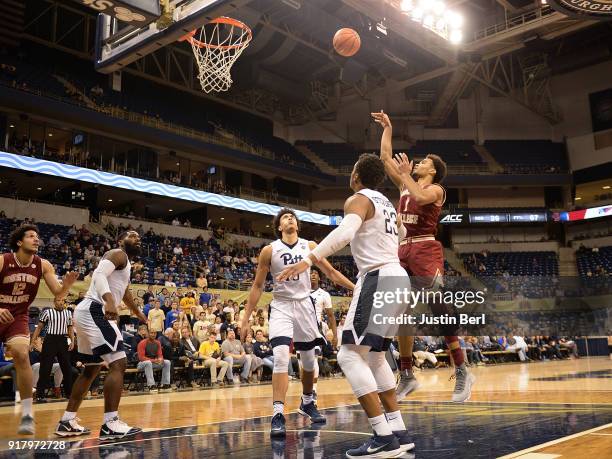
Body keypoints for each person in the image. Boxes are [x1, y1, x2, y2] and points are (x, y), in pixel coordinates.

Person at [277, 153, 415, 456]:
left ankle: (383, 436)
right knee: (376, 357)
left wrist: (309, 259)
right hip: (399, 278)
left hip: (378, 277)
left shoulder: (359, 199)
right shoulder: (386, 203)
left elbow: (345, 233)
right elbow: (403, 233)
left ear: (355, 175)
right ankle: (399, 432)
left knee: (349, 356)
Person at [372, 111, 475, 403]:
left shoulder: (436, 190)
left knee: (437, 307)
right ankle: (406, 374)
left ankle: (463, 369)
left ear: (433, 171)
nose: (419, 163)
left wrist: (405, 173)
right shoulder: (407, 184)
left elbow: (419, 198)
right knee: (400, 310)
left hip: (425, 249)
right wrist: (388, 128)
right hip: (402, 248)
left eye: (425, 162)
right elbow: (384, 156)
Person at [241, 207, 355, 437]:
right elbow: (257, 286)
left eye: (292, 216)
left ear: (298, 225)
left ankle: (307, 402)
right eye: (285, 217)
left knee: (309, 361)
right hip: (281, 305)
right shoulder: (269, 250)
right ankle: (278, 413)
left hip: (305, 305)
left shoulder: (310, 246)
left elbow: (331, 273)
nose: (290, 218)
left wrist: (356, 288)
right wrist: (246, 318)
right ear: (279, 227)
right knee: (282, 356)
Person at [55, 231, 146, 439]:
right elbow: (98, 276)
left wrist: (138, 313)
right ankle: (110, 423)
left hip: (87, 311)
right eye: (132, 235)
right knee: (119, 363)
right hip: (96, 310)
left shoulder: (125, 265)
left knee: (91, 369)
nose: (137, 238)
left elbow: (125, 292)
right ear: (120, 241)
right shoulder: (118, 253)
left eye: (138, 236)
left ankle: (67, 421)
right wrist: (109, 301)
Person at [0, 224, 77, 434]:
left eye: (38, 237)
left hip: (17, 316)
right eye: (31, 236)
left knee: (22, 355)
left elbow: (58, 293)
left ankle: (26, 414)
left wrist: (67, 285)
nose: (36, 239)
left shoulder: (43, 265)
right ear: (19, 242)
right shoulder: (3, 260)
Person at [29, 298, 74, 402]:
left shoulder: (68, 313)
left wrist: (72, 341)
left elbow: (70, 328)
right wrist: (32, 342)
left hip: (63, 339)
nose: (61, 302)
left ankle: (69, 394)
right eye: (58, 300)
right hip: (50, 340)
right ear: (54, 302)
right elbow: (39, 328)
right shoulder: (47, 312)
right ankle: (40, 395)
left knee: (67, 368)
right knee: (45, 368)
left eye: (63, 300)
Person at [308, 268, 338, 398]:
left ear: (319, 278)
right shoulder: (300, 291)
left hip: (316, 328)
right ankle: (306, 389)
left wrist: (335, 335)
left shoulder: (324, 294)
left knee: (314, 358)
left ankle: (313, 389)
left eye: (315, 274)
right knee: (303, 361)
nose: (313, 275)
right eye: (310, 273)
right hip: (301, 327)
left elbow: (331, 316)